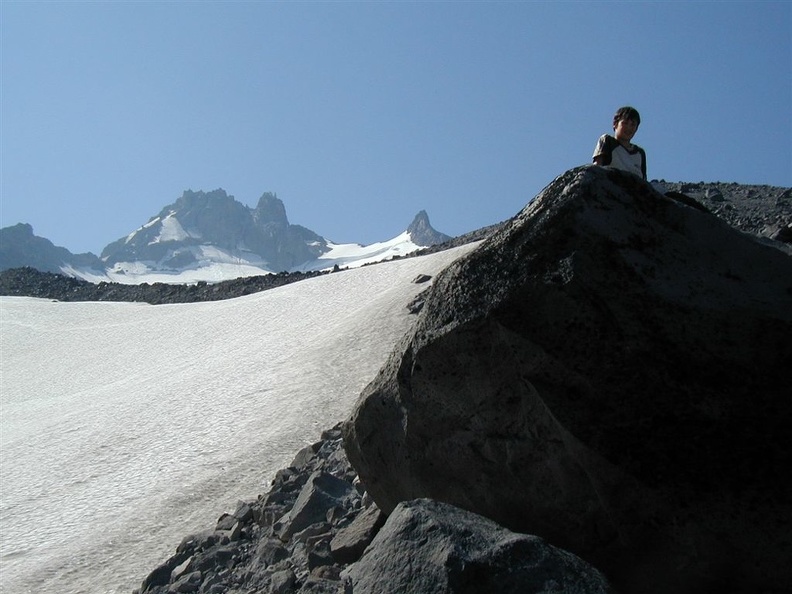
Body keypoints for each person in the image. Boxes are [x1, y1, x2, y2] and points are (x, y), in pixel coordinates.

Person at [592, 106, 647, 180]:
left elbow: (644, 180)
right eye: (625, 123)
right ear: (615, 124)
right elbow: (596, 169)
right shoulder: (607, 141)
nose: (628, 128)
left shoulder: (640, 153)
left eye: (633, 124)